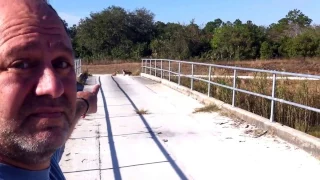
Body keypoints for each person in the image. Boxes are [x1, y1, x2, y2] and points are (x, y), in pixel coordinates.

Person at [0, 0, 99, 179]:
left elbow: (55, 121)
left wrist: (85, 102)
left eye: (61, 63)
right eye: (21, 65)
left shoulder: (33, 160)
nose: (54, 87)